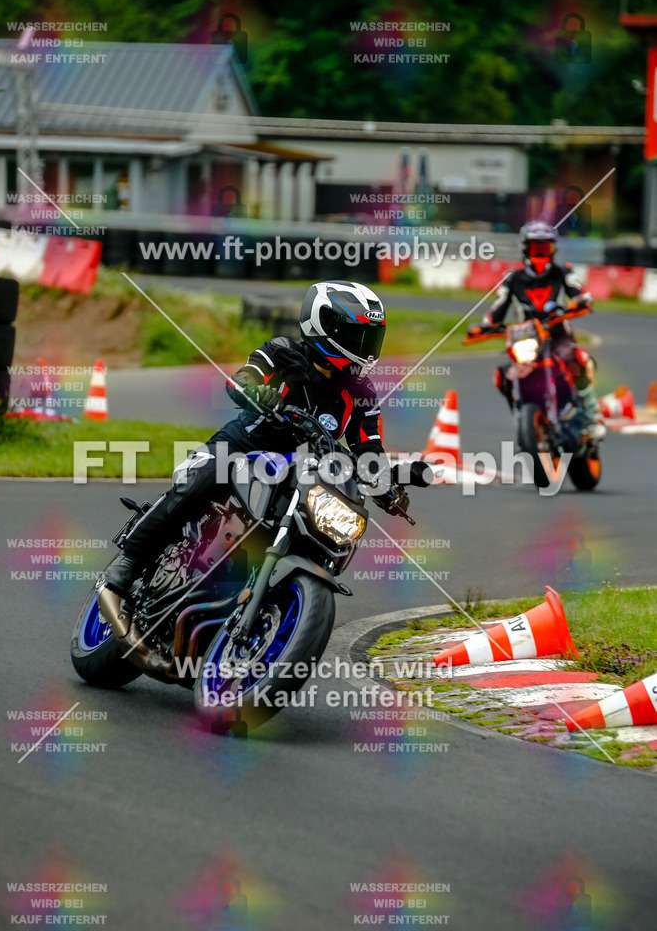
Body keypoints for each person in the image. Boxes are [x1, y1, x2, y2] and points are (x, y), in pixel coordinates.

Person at [99, 281, 427, 667]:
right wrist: (257, 391)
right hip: (245, 446)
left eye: (372, 338)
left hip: (303, 473)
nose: (367, 349)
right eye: (357, 336)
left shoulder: (363, 394)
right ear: (324, 326)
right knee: (203, 479)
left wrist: (386, 484)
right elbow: (243, 378)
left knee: (331, 527)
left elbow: (368, 447)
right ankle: (128, 562)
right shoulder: (283, 352)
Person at [481, 220, 606, 440]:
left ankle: (591, 417)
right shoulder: (512, 279)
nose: (540, 254)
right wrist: (487, 324)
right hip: (526, 339)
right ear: (525, 249)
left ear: (553, 250)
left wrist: (580, 300)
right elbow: (498, 307)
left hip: (558, 336)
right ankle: (522, 418)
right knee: (503, 376)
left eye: (545, 248)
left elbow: (578, 291)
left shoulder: (563, 272)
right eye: (535, 248)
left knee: (577, 360)